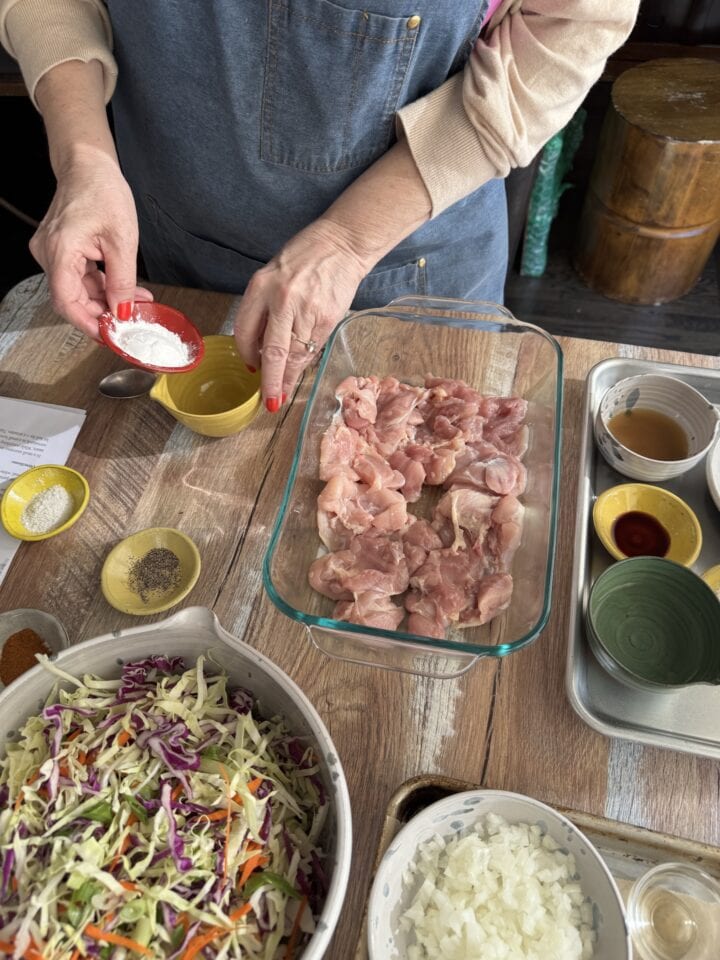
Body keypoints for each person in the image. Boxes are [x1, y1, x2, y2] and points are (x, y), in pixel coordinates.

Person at [1, 1, 639, 412]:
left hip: (410, 265)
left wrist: (348, 239)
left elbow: (578, 25)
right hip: (167, 241)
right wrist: (84, 156)